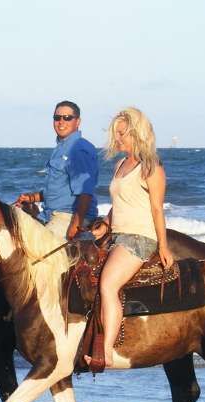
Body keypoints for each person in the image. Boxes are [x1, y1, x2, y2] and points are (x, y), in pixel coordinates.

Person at [93, 107, 174, 367]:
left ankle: (105, 351)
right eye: (115, 134)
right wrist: (106, 223)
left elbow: (156, 209)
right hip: (118, 235)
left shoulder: (151, 167)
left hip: (139, 238)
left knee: (108, 285)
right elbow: (120, 202)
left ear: (136, 134)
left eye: (122, 134)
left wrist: (163, 245)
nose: (117, 138)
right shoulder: (120, 165)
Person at [16, 101, 99, 240]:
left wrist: (75, 226)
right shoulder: (61, 147)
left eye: (67, 118)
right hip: (50, 215)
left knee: (35, 251)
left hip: (69, 217)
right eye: (57, 117)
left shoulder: (78, 148)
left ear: (77, 121)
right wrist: (32, 198)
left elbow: (85, 192)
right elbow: (60, 189)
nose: (61, 121)